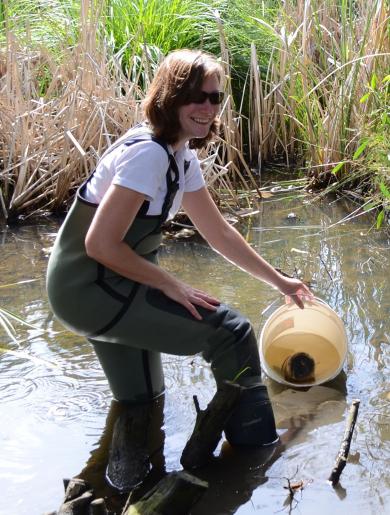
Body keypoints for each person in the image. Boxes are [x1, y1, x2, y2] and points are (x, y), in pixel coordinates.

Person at [46, 49, 312, 452]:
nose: (207, 107)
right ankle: (259, 452)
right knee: (231, 333)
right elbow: (99, 244)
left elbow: (219, 234)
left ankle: (123, 482)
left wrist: (280, 281)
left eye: (215, 97)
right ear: (170, 98)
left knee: (143, 400)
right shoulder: (148, 155)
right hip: (92, 288)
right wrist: (171, 284)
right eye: (196, 96)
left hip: (103, 286)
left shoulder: (179, 156)